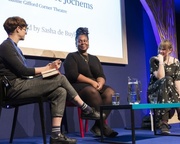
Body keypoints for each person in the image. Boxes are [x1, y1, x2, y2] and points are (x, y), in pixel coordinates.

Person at [0, 16, 104, 144]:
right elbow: (23, 71)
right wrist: (47, 68)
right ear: (18, 29)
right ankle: (86, 108)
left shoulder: (16, 48)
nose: (26, 32)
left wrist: (49, 70)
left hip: (22, 84)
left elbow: (26, 75)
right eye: (24, 29)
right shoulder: (6, 46)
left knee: (60, 91)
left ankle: (56, 135)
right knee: (60, 77)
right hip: (14, 88)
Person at [63, 27, 118, 137]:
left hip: (95, 86)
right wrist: (92, 82)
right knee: (92, 91)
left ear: (88, 42)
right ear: (76, 43)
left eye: (85, 40)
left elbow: (101, 75)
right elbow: (73, 75)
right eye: (80, 41)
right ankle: (103, 127)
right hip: (78, 87)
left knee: (111, 93)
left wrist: (100, 83)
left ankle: (98, 125)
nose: (82, 43)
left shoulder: (94, 58)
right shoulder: (72, 56)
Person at [147, 39, 180, 134]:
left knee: (169, 81)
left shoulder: (176, 62)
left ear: (170, 50)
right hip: (155, 91)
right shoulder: (154, 60)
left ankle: (164, 123)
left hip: (169, 93)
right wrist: (161, 62)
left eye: (164, 49)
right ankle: (178, 111)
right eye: (160, 49)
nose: (161, 51)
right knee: (167, 79)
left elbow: (177, 82)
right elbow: (160, 77)